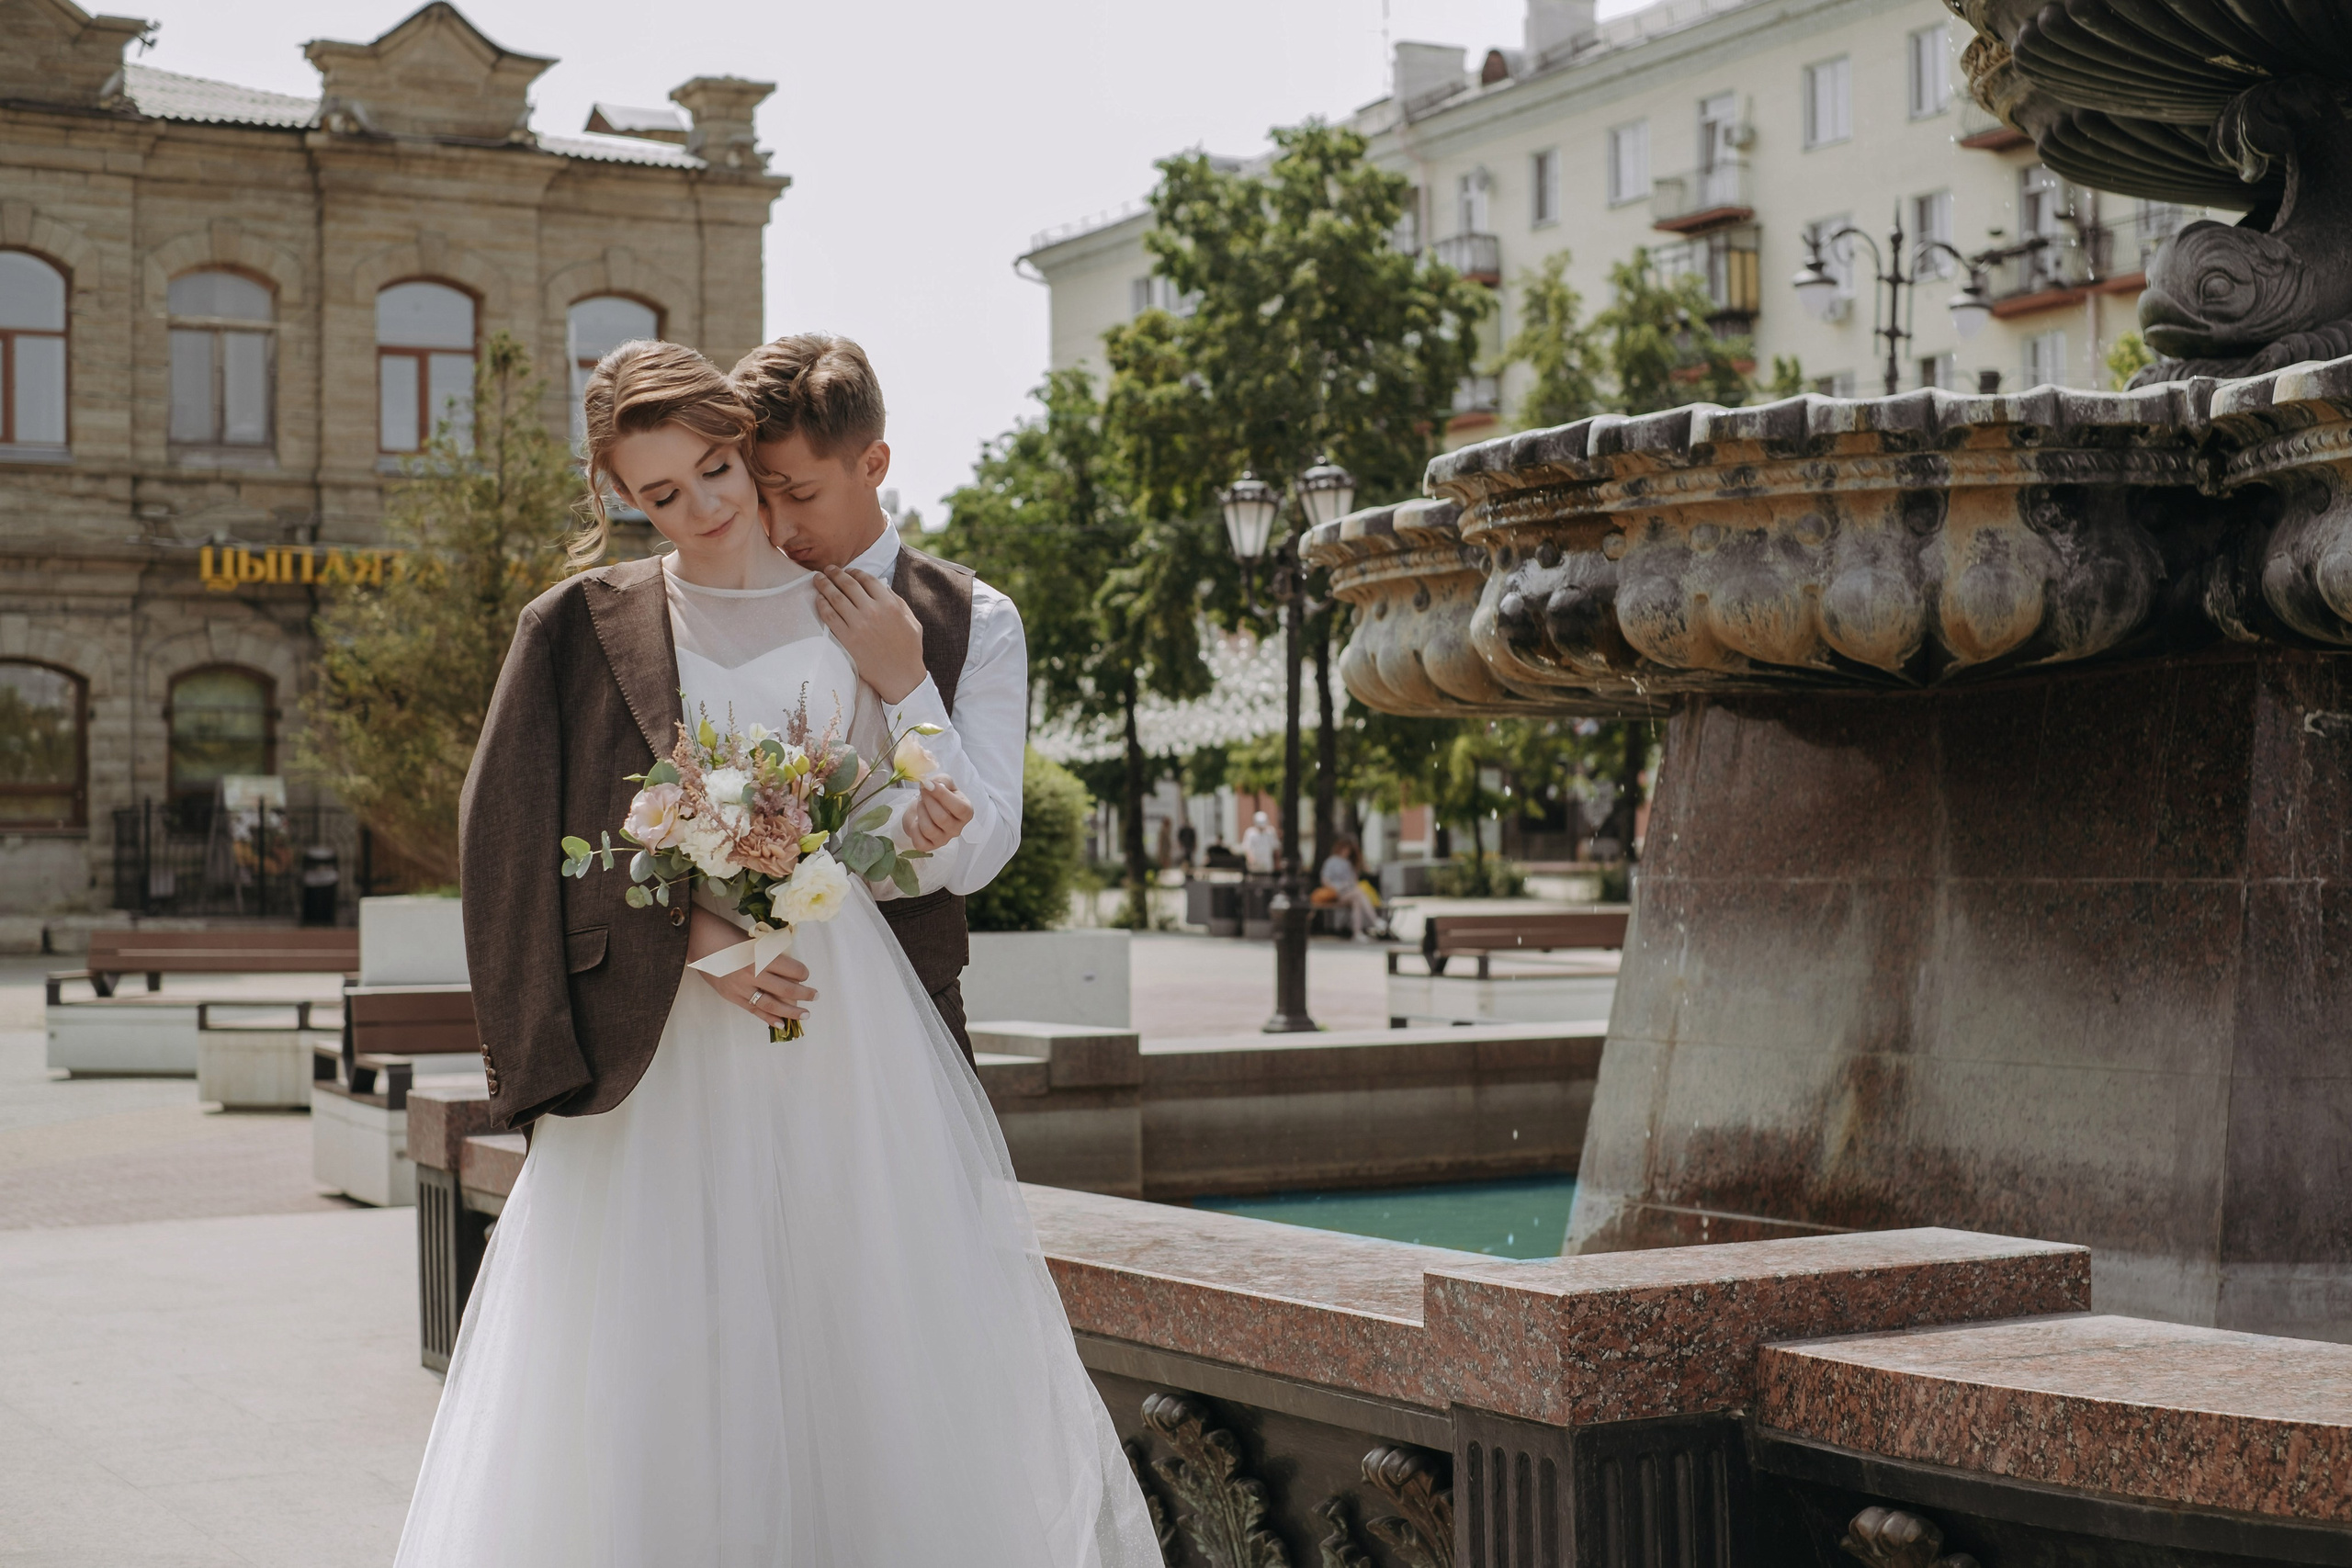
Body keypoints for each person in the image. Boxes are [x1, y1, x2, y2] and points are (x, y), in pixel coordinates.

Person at [395, 341, 1157, 1566]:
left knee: (867, 1323)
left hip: (848, 1014)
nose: (707, 507)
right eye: (662, 494)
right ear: (623, 500)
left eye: (716, 471)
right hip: (673, 1041)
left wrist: (910, 778)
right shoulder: (594, 623)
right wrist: (704, 942)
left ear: (741, 449)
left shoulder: (865, 618)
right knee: (660, 1340)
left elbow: (906, 843)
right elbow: (545, 835)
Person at [708, 333, 1021, 1063]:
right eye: (762, 495)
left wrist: (908, 683)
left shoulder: (980, 618)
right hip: (731, 1025)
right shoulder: (713, 606)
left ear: (873, 463)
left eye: (802, 493)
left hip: (908, 1027)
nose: (779, 528)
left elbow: (984, 852)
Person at [1317, 834, 1385, 941]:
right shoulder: (1332, 861)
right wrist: (1337, 886)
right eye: (1345, 849)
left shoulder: (1349, 863)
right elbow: (1325, 879)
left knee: (1357, 900)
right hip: (1335, 894)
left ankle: (1357, 933)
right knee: (1358, 894)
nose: (1347, 852)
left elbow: (1353, 882)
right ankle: (1375, 921)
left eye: (1349, 850)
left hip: (1348, 894)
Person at [1241, 809, 1280, 874]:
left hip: (1267, 864)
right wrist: (1250, 858)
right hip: (1255, 865)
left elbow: (1275, 847)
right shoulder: (1250, 833)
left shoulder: (1270, 832)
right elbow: (1246, 847)